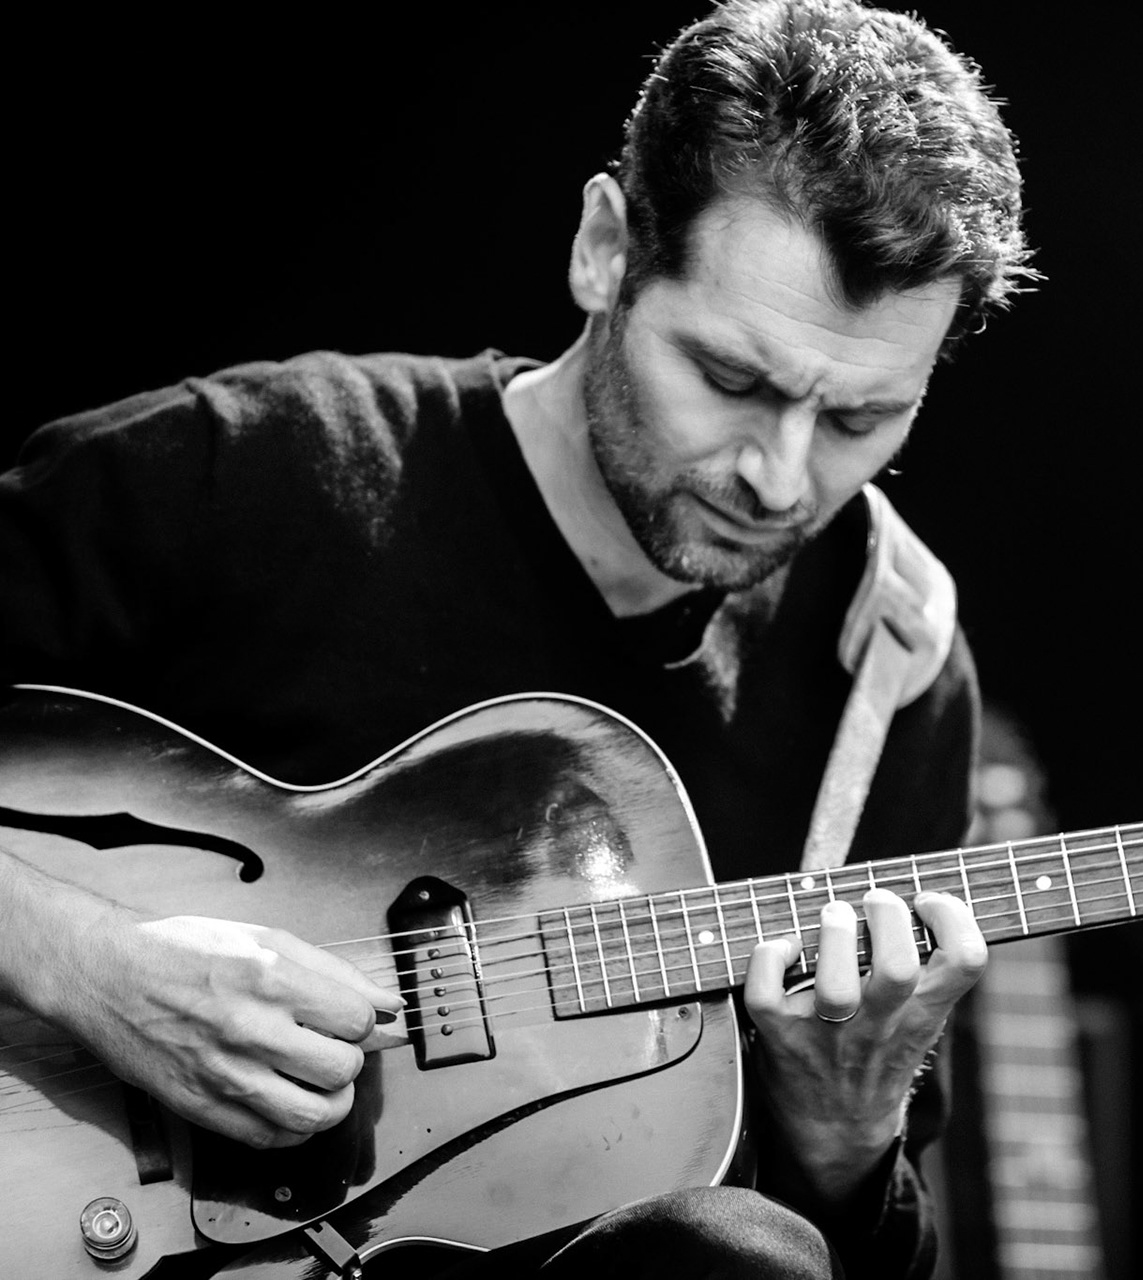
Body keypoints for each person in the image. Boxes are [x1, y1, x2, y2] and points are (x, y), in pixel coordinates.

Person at [0, 2, 1034, 1276]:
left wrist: (850, 1130)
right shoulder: (255, 473)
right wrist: (84, 960)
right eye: (730, 378)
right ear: (606, 249)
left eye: (863, 417)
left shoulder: (886, 670)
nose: (780, 475)